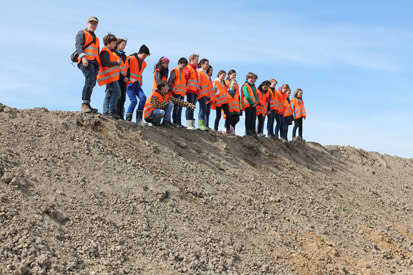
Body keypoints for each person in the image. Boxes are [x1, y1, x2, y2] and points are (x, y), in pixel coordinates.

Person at [75, 16, 100, 113]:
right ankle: (84, 104)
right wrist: (83, 57)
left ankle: (87, 104)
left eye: (95, 24)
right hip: (85, 61)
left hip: (94, 63)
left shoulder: (96, 38)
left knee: (92, 82)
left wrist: (98, 66)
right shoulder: (82, 33)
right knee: (89, 80)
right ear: (87, 24)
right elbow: (78, 46)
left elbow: (96, 52)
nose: (93, 25)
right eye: (91, 23)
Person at [97, 33, 122, 119]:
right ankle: (112, 111)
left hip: (111, 77)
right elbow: (105, 63)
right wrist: (117, 63)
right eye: (114, 43)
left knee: (109, 94)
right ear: (108, 43)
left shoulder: (109, 52)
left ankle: (106, 111)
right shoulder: (105, 51)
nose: (115, 45)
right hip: (109, 77)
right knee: (117, 93)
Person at [125, 44, 150, 124]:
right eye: (144, 55)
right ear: (140, 53)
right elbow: (124, 69)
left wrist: (141, 79)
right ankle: (128, 120)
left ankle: (139, 120)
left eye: (146, 56)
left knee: (143, 98)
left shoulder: (144, 63)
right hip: (129, 84)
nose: (144, 57)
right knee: (134, 101)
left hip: (136, 84)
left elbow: (140, 72)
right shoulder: (130, 58)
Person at [168, 57, 188, 127]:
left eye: (185, 66)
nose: (184, 67)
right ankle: (175, 122)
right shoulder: (175, 70)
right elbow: (170, 80)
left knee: (180, 108)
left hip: (181, 93)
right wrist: (170, 90)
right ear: (179, 63)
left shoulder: (183, 72)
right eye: (183, 65)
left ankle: (179, 122)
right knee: (176, 108)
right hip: (175, 93)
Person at [184, 54, 200, 130]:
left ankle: (192, 124)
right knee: (189, 107)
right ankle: (189, 124)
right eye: (196, 60)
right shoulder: (188, 68)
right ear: (191, 60)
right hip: (190, 90)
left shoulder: (195, 70)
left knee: (193, 107)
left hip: (195, 91)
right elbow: (186, 79)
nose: (197, 61)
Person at [114, 38, 128, 120]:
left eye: (125, 45)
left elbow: (127, 68)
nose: (124, 47)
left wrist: (127, 77)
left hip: (124, 80)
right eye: (123, 45)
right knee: (117, 97)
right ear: (117, 44)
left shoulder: (125, 56)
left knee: (123, 98)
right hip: (117, 78)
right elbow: (116, 68)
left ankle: (121, 115)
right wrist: (123, 77)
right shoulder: (114, 54)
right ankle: (115, 114)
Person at [197, 59, 211, 130]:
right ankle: (200, 125)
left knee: (204, 109)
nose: (207, 66)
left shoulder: (205, 74)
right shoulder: (199, 72)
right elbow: (198, 83)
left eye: (208, 64)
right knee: (202, 108)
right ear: (202, 64)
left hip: (205, 94)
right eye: (206, 64)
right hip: (201, 94)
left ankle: (202, 124)